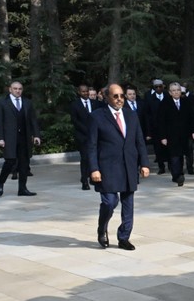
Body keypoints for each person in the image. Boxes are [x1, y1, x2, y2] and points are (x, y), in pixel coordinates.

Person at [88, 83, 150, 250]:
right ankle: (102, 228)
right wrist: (94, 168)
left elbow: (139, 141)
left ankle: (124, 237)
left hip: (128, 165)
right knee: (109, 202)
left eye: (122, 96)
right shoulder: (97, 116)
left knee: (128, 203)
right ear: (107, 97)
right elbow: (92, 145)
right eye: (115, 96)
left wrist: (144, 163)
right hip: (107, 167)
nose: (119, 99)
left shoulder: (131, 115)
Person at [0, 81, 41, 197]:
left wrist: (36, 135)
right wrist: (0, 138)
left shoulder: (27, 102)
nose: (18, 90)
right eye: (15, 88)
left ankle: (22, 189)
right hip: (9, 138)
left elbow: (33, 120)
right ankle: (0, 183)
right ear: (10, 89)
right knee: (10, 161)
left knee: (24, 163)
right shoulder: (2, 103)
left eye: (20, 89)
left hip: (24, 138)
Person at [157, 82, 194, 187]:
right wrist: (163, 137)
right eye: (173, 90)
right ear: (170, 93)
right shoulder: (164, 103)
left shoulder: (186, 102)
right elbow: (160, 122)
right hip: (171, 135)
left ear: (181, 91)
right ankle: (178, 175)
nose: (176, 92)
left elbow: (192, 118)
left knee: (180, 156)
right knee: (174, 156)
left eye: (178, 90)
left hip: (184, 135)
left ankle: (178, 173)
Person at [69, 82, 104, 190]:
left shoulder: (95, 103)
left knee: (94, 157)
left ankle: (92, 178)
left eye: (87, 91)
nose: (86, 93)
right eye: (83, 91)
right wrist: (87, 131)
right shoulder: (75, 105)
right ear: (79, 92)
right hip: (82, 136)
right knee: (85, 158)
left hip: (95, 136)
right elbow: (75, 121)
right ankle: (84, 180)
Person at [144, 78, 167, 174]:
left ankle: (171, 166)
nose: (158, 88)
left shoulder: (167, 96)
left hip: (167, 126)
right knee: (158, 148)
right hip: (156, 127)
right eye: (156, 87)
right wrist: (149, 131)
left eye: (160, 86)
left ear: (163, 87)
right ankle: (161, 167)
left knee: (169, 147)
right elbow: (147, 115)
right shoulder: (149, 97)